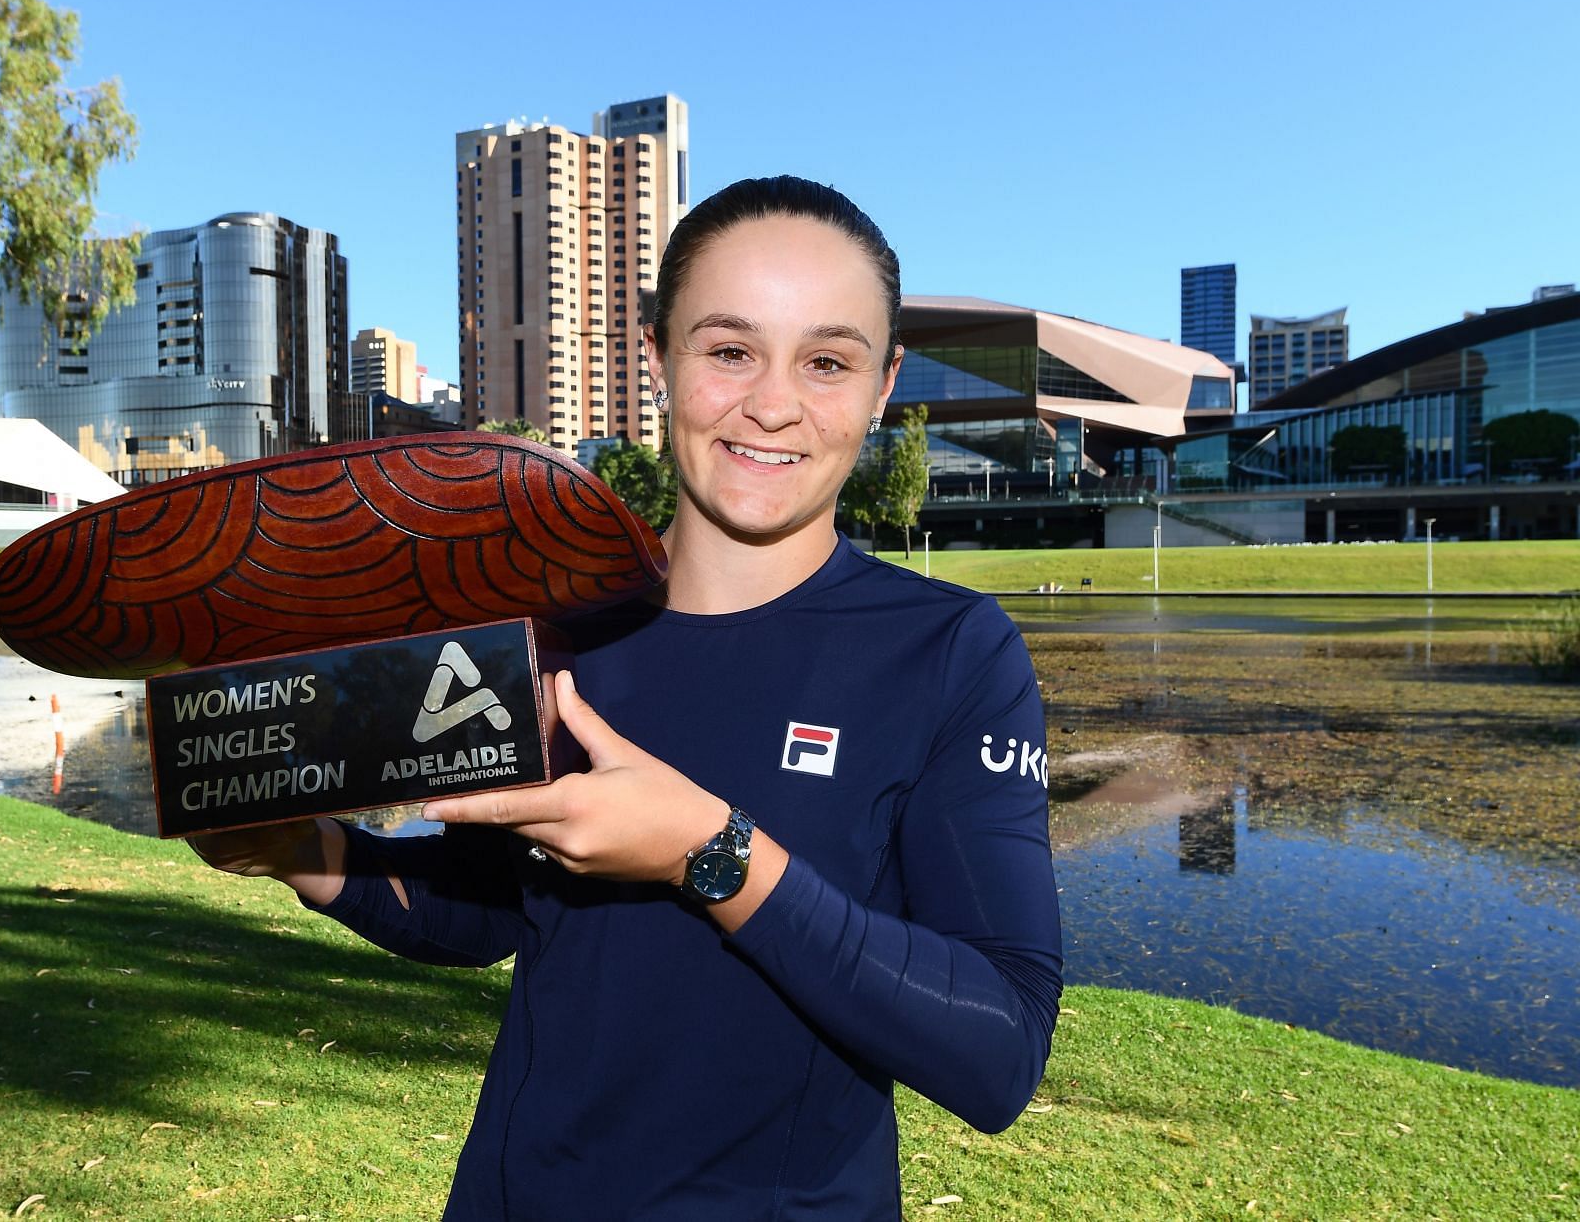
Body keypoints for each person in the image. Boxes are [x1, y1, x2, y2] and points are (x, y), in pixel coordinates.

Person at [190, 175, 1062, 1220]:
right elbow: (492, 911)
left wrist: (718, 854)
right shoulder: (549, 628)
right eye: (729, 349)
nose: (773, 403)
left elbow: (998, 1047)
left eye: (826, 361)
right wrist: (305, 851)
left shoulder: (953, 654)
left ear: (884, 386)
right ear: (657, 358)